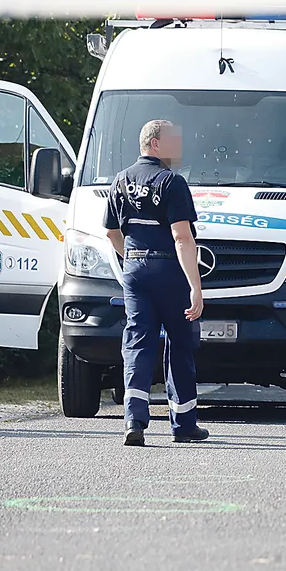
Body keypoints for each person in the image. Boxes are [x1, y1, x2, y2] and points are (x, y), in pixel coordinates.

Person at [103, 120, 210, 446]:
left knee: (137, 342)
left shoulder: (120, 181)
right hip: (168, 271)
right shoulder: (171, 182)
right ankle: (183, 424)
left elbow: (111, 232)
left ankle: (134, 420)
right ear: (155, 144)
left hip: (134, 269)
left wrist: (132, 258)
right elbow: (182, 236)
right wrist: (195, 285)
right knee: (179, 342)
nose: (178, 147)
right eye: (173, 141)